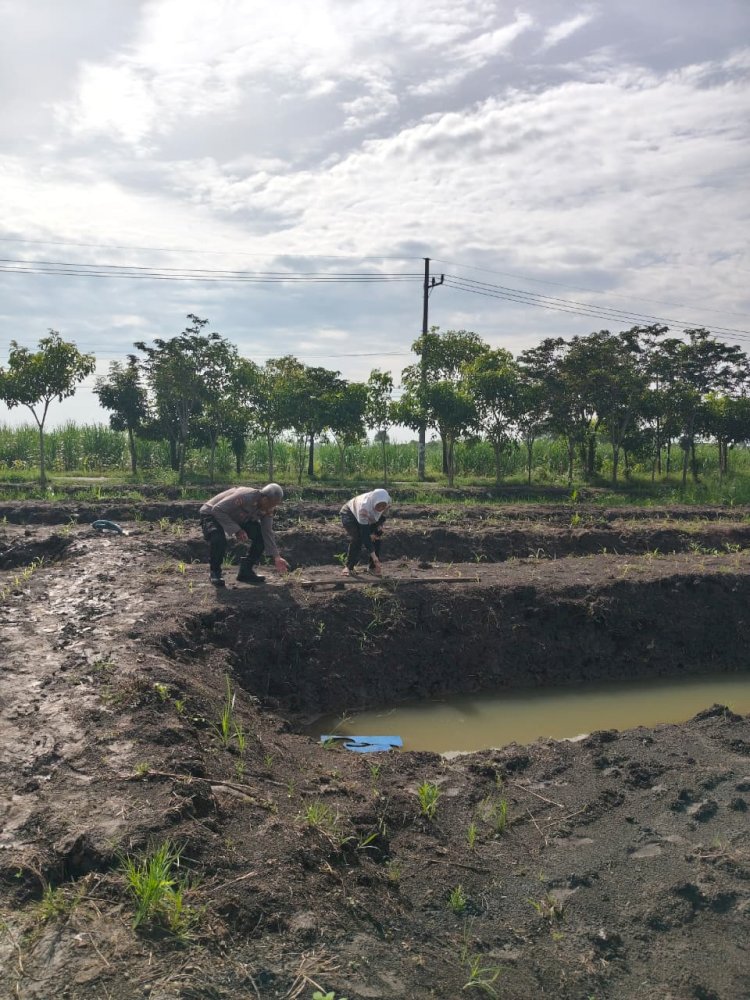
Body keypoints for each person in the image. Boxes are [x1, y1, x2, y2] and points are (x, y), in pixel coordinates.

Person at [199, 483, 289, 587]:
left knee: (260, 538)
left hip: (236, 517)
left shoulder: (268, 508)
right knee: (218, 539)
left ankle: (246, 572)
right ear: (264, 498)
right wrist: (237, 530)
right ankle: (215, 573)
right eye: (271, 504)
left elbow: (267, 531)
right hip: (212, 512)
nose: (272, 507)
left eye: (275, 505)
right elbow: (217, 509)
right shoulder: (245, 496)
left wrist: (276, 557)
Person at [339, 488, 391, 576]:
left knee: (376, 536)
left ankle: (372, 567)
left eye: (383, 506)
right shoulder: (364, 507)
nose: (381, 508)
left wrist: (377, 529)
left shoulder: (388, 501)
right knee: (358, 538)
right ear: (374, 501)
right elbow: (365, 534)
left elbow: (383, 516)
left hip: (369, 516)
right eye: (378, 505)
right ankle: (349, 567)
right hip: (350, 514)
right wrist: (374, 557)